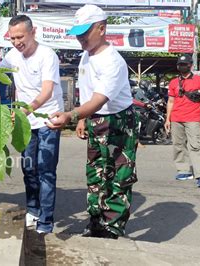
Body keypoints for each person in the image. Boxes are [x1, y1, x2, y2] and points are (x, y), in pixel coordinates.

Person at [47, 4, 138, 239]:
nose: (80, 38)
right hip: (95, 120)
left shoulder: (112, 61)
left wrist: (71, 115)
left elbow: (99, 99)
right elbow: (87, 92)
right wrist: (82, 120)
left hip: (117, 121)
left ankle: (113, 227)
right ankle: (96, 221)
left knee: (118, 175)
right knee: (96, 172)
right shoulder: (86, 56)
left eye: (85, 32)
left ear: (101, 28)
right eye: (78, 33)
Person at [0, 15, 63, 234]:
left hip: (48, 120)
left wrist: (24, 110)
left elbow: (47, 91)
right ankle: (33, 211)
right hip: (25, 122)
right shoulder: (11, 55)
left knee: (45, 170)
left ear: (33, 32)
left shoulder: (47, 55)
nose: (17, 42)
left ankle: (45, 221)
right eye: (13, 38)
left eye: (20, 37)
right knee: (28, 168)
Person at [165, 54, 200, 188]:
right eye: (180, 64)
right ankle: (183, 171)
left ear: (191, 65)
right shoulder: (173, 82)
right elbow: (171, 101)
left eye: (185, 64)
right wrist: (168, 119)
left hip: (193, 119)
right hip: (176, 119)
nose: (182, 66)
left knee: (196, 146)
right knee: (178, 146)